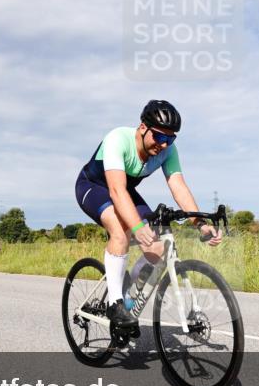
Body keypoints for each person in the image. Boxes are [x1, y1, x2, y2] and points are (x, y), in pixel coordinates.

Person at [75, 100, 222, 331]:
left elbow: (178, 186)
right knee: (121, 233)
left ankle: (129, 297)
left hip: (125, 191)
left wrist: (200, 224)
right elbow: (116, 190)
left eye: (170, 139)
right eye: (159, 137)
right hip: (93, 187)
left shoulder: (167, 151)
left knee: (158, 248)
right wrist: (135, 227)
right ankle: (115, 304)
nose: (164, 144)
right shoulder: (118, 139)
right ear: (143, 128)